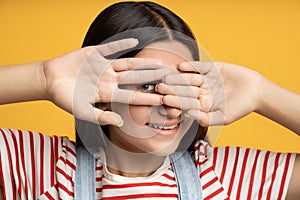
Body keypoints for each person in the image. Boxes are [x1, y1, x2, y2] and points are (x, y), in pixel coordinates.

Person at [0, 1, 299, 200]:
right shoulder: (41, 166)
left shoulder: (222, 175)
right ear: (98, 91)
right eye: (147, 85)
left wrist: (262, 93)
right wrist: (42, 78)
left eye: (183, 86)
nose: (172, 105)